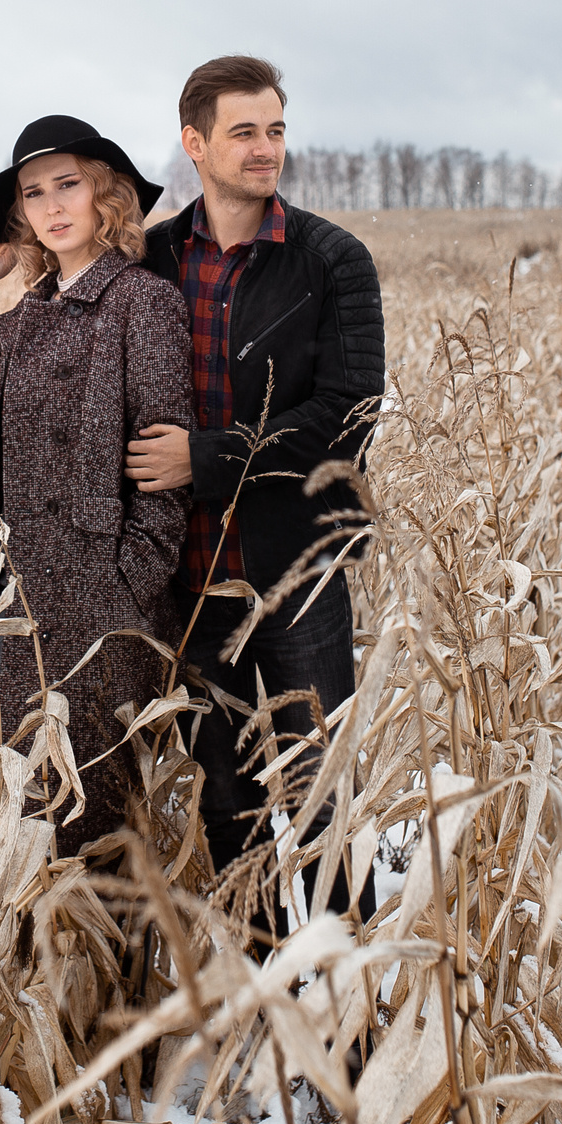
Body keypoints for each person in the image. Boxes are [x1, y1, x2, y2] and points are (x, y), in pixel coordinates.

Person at [123, 55, 385, 929]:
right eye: (244, 131)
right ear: (194, 143)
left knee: (325, 808)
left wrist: (209, 457)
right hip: (190, 588)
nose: (266, 147)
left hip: (298, 576)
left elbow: (348, 416)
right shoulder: (151, 259)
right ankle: (272, 1011)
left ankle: (353, 1030)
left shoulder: (331, 261)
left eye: (275, 128)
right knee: (228, 819)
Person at [0, 114, 197, 857]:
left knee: (84, 830)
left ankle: (97, 975)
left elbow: (166, 475)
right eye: (33, 193)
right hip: (3, 606)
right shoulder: (26, 313)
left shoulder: (142, 302)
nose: (52, 205)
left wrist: (124, 590)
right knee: (3, 823)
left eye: (68, 184)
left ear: (106, 192)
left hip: (97, 621)